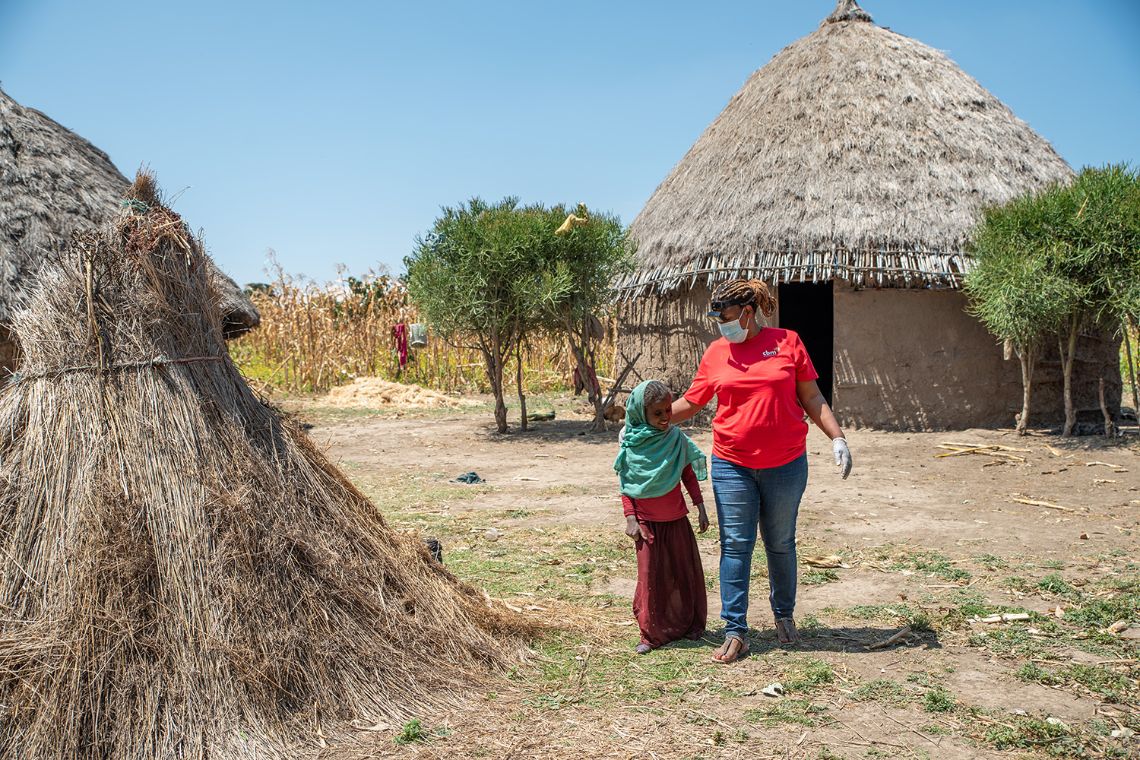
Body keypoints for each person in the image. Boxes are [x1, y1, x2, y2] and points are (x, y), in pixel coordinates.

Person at [670, 279, 853, 664]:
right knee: (735, 545)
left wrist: (837, 437)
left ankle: (784, 615)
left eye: (728, 315)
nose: (721, 323)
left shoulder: (788, 342)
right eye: (717, 316)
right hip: (731, 464)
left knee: (781, 543)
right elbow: (691, 401)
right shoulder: (717, 352)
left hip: (786, 465)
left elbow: (812, 396)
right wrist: (646, 419)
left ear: (749, 313)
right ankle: (736, 630)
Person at [614, 380, 710, 654]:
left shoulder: (675, 439)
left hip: (677, 520)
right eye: (657, 413)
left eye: (668, 410)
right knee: (650, 578)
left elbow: (687, 474)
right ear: (640, 413)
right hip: (646, 524)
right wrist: (630, 517)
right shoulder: (631, 444)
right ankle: (651, 634)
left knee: (683, 574)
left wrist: (700, 505)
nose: (665, 417)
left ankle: (689, 625)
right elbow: (627, 484)